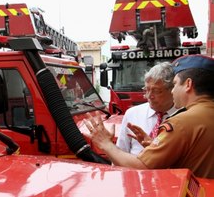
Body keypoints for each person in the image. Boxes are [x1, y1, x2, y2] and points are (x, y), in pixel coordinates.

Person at [84, 54, 214, 178]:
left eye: (174, 85)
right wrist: (157, 147)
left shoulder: (180, 122)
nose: (149, 96)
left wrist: (105, 143)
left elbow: (143, 166)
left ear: (188, 84)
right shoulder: (204, 113)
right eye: (146, 89)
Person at [117, 62, 177, 155]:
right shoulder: (132, 114)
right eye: (146, 89)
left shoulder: (184, 117)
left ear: (173, 90)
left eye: (156, 91)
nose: (148, 96)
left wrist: (155, 149)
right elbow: (120, 154)